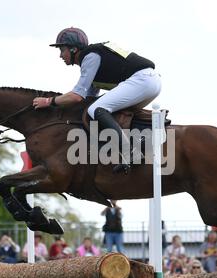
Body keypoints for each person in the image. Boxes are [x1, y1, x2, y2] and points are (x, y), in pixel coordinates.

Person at [33, 27, 161, 174]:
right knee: (102, 110)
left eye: (62, 50)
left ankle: (130, 151)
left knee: (96, 110)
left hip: (143, 80)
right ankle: (140, 142)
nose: (61, 56)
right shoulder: (91, 59)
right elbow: (89, 98)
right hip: (149, 82)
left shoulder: (90, 57)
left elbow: (77, 96)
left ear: (74, 49)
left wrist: (49, 102)